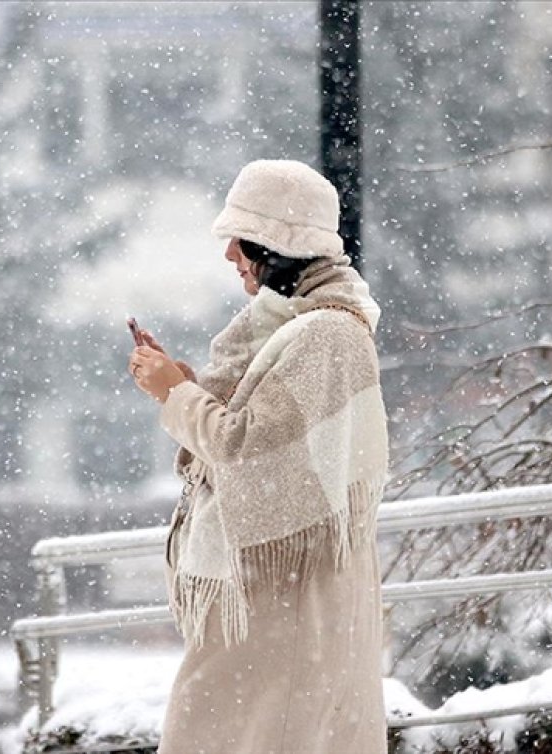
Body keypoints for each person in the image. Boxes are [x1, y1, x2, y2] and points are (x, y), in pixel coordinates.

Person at [128, 159, 389, 754]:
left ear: (277, 245)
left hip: (285, 603)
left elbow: (246, 448)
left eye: (240, 240)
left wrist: (175, 392)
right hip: (273, 596)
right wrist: (185, 385)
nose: (230, 256)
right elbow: (259, 434)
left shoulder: (325, 334)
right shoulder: (292, 327)